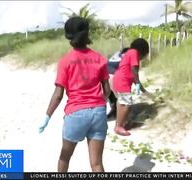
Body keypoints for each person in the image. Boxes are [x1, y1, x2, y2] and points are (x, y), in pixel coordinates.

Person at [38, 16, 111, 172]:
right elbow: (107, 90)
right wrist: (99, 102)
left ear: (68, 35)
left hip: (76, 113)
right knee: (97, 163)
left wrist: (47, 116)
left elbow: (58, 94)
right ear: (87, 33)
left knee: (65, 157)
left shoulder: (66, 61)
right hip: (98, 112)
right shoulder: (100, 58)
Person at [112, 38, 149, 136]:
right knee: (125, 105)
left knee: (123, 103)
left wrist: (142, 89)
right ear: (142, 50)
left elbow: (134, 76)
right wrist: (137, 83)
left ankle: (124, 123)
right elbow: (134, 71)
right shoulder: (133, 52)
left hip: (119, 80)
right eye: (143, 56)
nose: (141, 59)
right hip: (122, 81)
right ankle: (118, 126)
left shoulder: (130, 53)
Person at [106, 48, 129, 119]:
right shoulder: (128, 56)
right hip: (111, 73)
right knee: (121, 96)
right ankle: (122, 117)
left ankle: (114, 110)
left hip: (104, 71)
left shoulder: (120, 53)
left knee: (111, 93)